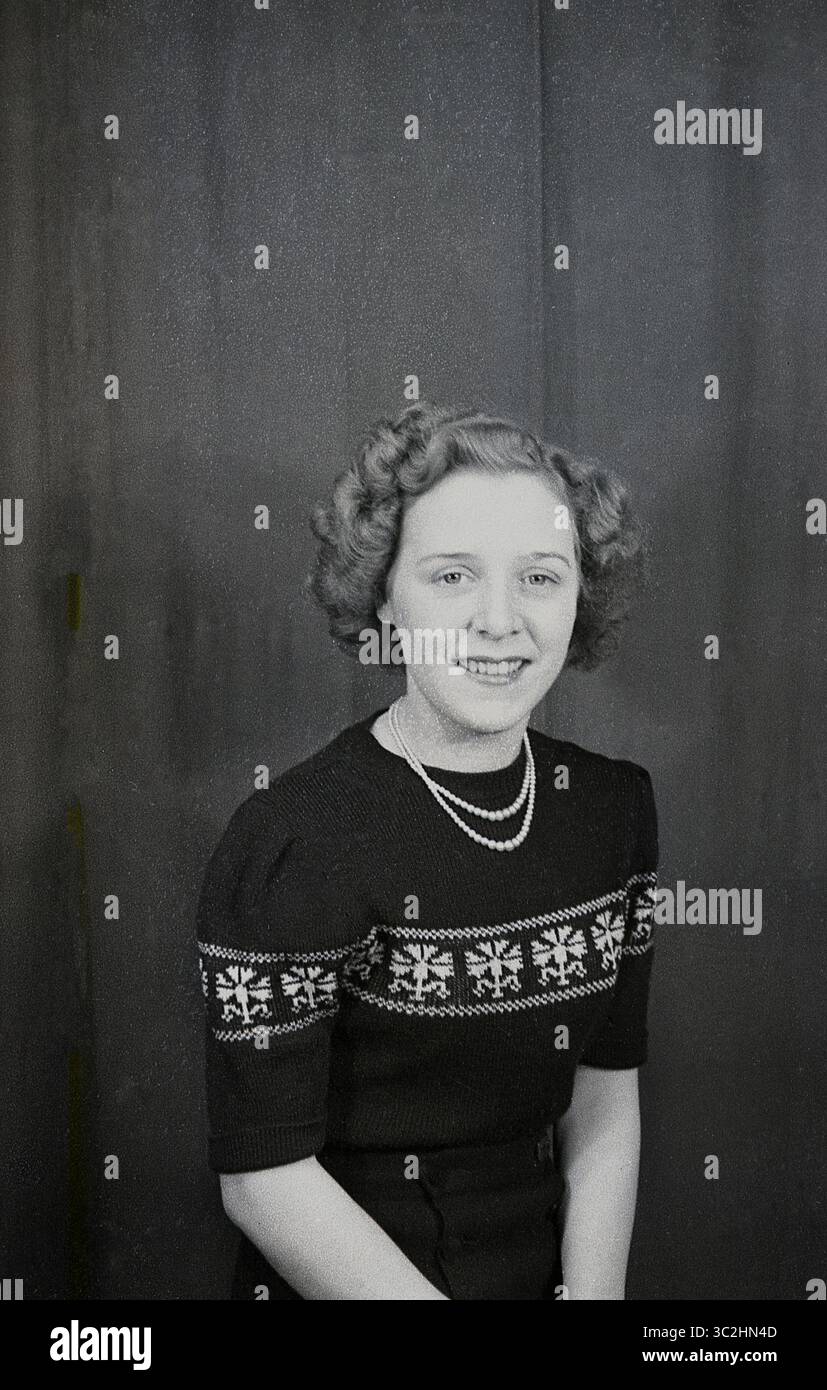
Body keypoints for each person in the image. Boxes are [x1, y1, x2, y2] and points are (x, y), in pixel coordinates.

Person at [195, 401, 659, 1300]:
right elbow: (262, 1182)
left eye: (540, 576)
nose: (498, 620)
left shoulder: (611, 809)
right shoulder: (292, 840)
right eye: (451, 576)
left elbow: (603, 1092)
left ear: (580, 596)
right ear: (383, 594)